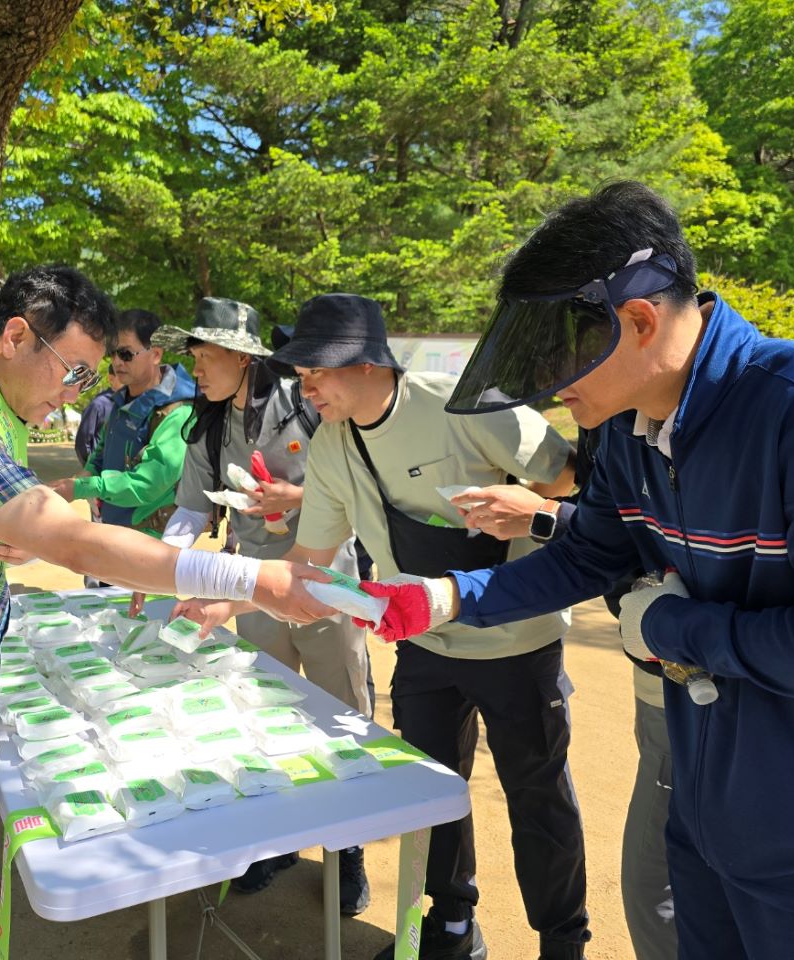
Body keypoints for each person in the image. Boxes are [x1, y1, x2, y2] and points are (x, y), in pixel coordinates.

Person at [359, 180, 794, 960]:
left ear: (638, 321)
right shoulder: (633, 429)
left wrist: (669, 625)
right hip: (702, 805)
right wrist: (444, 596)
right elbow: (589, 553)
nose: (554, 388)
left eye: (561, 359)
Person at [0, 265, 331, 957]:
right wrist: (250, 576)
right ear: (18, 336)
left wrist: (17, 541)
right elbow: (72, 539)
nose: (77, 391)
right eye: (77, 370)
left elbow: (7, 528)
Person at [181, 292, 582, 960]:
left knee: (536, 794)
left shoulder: (468, 403)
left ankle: (562, 941)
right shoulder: (333, 445)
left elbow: (572, 480)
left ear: (365, 363)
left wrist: (531, 505)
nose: (304, 388)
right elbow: (308, 564)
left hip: (517, 639)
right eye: (299, 375)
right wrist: (232, 600)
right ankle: (451, 924)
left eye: (315, 373)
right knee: (431, 790)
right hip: (423, 641)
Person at [152, 297, 376, 912]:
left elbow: (355, 481)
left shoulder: (304, 401)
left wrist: (292, 496)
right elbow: (194, 508)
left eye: (205, 354)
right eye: (192, 354)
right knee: (263, 707)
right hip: (250, 584)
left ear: (242, 355)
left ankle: (347, 851)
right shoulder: (209, 421)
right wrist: (162, 565)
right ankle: (278, 844)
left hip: (325, 577)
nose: (194, 366)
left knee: (338, 710)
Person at [451, 428, 674, 960]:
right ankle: (450, 923)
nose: (560, 390)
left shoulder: (786, 405)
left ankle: (564, 939)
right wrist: (449, 597)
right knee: (658, 883)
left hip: (706, 680)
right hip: (658, 673)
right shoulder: (614, 421)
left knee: (658, 885)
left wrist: (544, 515)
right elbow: (602, 545)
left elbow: (633, 548)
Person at [50, 309, 195, 536]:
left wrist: (82, 487)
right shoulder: (122, 401)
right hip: (114, 530)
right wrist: (88, 472)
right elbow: (102, 449)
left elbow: (149, 483)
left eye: (126, 354)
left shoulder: (178, 412)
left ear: (156, 354)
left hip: (151, 538)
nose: (117, 361)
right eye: (113, 353)